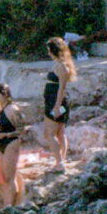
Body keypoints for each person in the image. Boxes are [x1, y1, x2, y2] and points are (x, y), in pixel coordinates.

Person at [44, 36, 76, 166]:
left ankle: (59, 162)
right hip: (52, 101)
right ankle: (61, 159)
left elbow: (62, 88)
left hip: (56, 102)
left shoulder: (62, 66)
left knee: (49, 133)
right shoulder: (58, 63)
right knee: (60, 132)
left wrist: (57, 106)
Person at [0, 83, 27, 206]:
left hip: (11, 142)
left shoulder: (13, 109)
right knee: (4, 178)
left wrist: (6, 135)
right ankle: (8, 203)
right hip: (0, 142)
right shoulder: (1, 109)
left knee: (9, 177)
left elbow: (22, 130)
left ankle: (10, 205)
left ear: (5, 95)